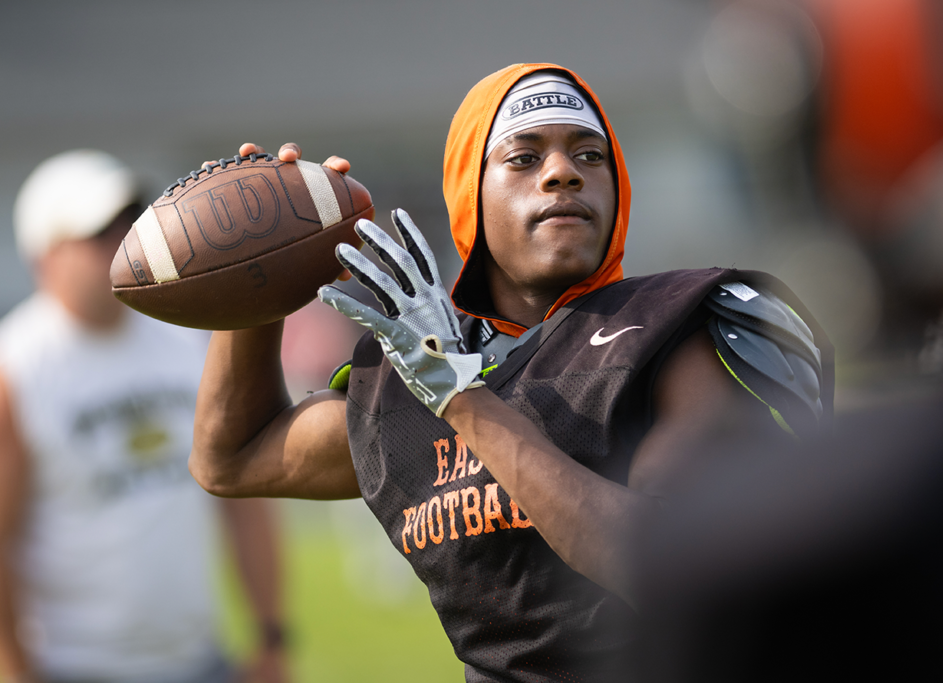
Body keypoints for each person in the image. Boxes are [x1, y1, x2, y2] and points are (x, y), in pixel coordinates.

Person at [188, 64, 833, 682]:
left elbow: (663, 561)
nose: (562, 173)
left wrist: (463, 398)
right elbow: (230, 458)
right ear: (470, 188)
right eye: (524, 158)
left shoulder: (671, 330)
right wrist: (258, 267)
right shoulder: (411, 368)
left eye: (589, 155)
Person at [0, 151, 289, 683]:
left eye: (127, 226)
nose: (121, 245)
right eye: (98, 233)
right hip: (72, 667)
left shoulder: (190, 335)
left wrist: (272, 637)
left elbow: (243, 498)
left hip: (201, 662)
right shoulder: (16, 368)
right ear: (46, 256)